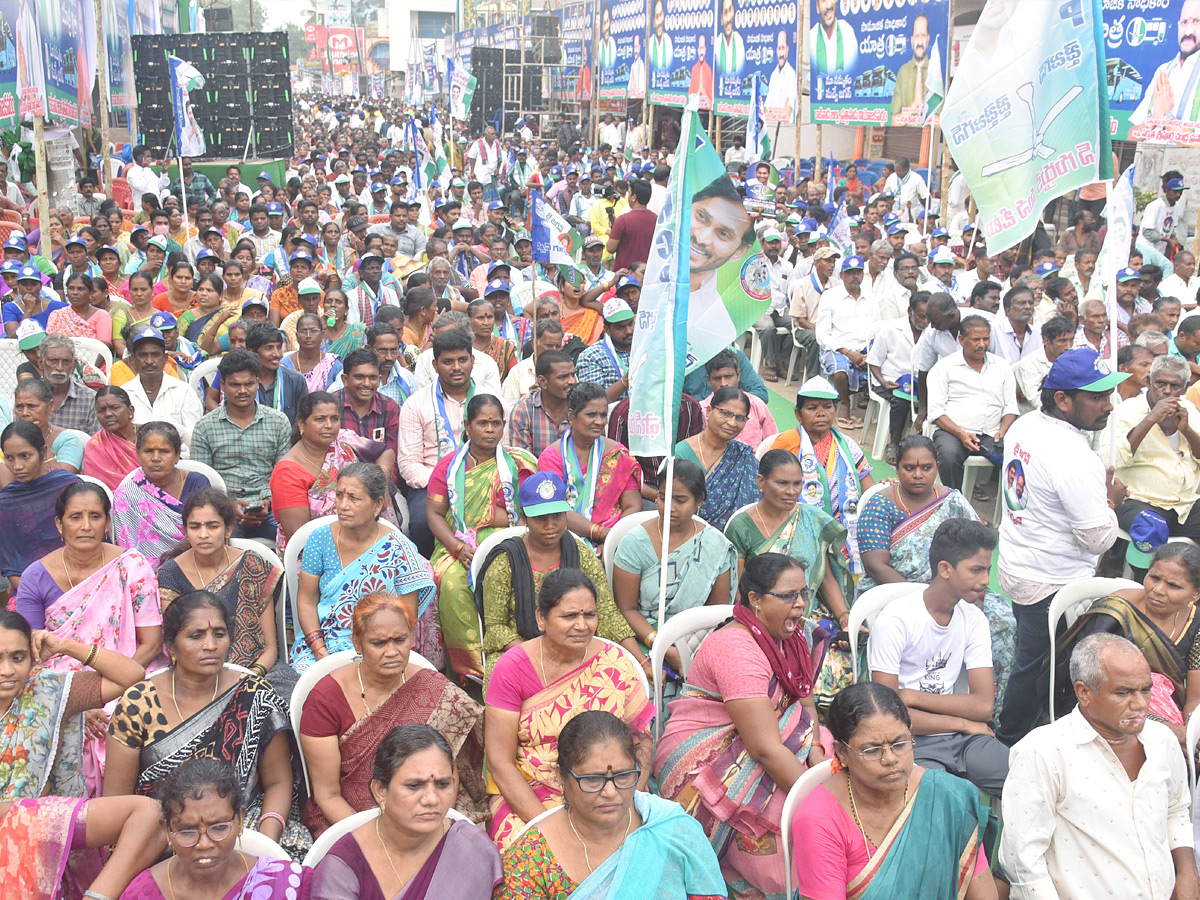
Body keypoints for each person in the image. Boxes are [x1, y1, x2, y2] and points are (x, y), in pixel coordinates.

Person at [655, 553, 830, 899]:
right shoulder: (738, 648)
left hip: (776, 736)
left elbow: (804, 698)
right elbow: (763, 748)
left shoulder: (792, 635)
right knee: (793, 830)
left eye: (803, 594)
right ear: (755, 600)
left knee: (842, 765)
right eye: (788, 596)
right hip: (707, 756)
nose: (799, 605)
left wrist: (816, 748)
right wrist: (820, 799)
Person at [104, 592, 307, 855]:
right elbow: (116, 804)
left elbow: (278, 783)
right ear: (171, 647)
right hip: (162, 837)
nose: (210, 645)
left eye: (219, 634)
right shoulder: (137, 704)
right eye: (196, 635)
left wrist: (265, 845)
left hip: (245, 829)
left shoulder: (254, 695)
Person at [999, 633, 1200, 900]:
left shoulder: (1163, 741)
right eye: (1123, 692)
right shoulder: (1043, 751)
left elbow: (1176, 811)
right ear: (1084, 692)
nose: (1141, 704)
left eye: (1146, 689)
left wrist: (1187, 872)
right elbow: (1023, 861)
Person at [996, 349, 1129, 745]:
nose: (1108, 406)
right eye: (1096, 397)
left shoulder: (1024, 425)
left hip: (1019, 562)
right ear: (1063, 399)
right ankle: (1010, 739)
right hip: (1052, 580)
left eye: (1108, 395)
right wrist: (1110, 502)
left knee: (1033, 658)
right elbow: (1099, 539)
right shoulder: (1075, 456)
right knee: (1037, 665)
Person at [484, 569, 654, 849]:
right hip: (534, 793)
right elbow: (499, 763)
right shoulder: (512, 669)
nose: (582, 625)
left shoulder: (613, 661)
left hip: (611, 789)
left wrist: (629, 798)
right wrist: (547, 826)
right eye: (569, 616)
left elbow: (642, 740)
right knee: (533, 861)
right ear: (542, 618)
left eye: (589, 615)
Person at [298, 587, 487, 837]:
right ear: (358, 643)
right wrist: (377, 839)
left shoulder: (432, 687)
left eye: (400, 640)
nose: (392, 652)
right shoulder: (325, 699)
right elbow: (328, 795)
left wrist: (432, 825)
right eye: (378, 643)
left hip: (430, 812)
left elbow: (449, 774)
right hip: (353, 822)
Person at [0, 608, 161, 898]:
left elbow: (132, 675)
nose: (7, 670)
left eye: (17, 657)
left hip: (41, 821)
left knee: (148, 812)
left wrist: (64, 645)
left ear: (32, 656)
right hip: (17, 820)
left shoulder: (47, 690)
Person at [791, 682, 998, 900]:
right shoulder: (819, 817)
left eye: (900, 744)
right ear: (842, 753)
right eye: (872, 750)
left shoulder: (948, 797)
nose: (890, 759)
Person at [497, 710, 726, 899]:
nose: (610, 792)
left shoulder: (671, 828)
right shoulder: (530, 859)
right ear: (561, 777)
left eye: (623, 776)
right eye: (593, 779)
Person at [867, 519, 1010, 796]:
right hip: (910, 742)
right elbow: (889, 717)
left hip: (964, 741)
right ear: (945, 569)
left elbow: (983, 706)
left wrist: (912, 696)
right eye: (976, 570)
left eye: (987, 570)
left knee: (1029, 782)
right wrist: (962, 722)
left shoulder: (974, 619)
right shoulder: (895, 621)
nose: (985, 581)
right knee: (944, 802)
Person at [477, 472, 642, 682]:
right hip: (519, 649)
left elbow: (607, 612)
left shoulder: (581, 554)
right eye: (540, 518)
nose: (550, 525)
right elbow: (496, 626)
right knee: (505, 681)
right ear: (524, 516)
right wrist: (538, 657)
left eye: (557, 515)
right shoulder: (505, 562)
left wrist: (640, 661)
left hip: (575, 644)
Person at [309, 724, 501, 899]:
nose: (432, 799)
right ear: (380, 791)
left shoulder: (471, 847)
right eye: (414, 786)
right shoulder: (343, 868)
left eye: (442, 784)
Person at [427, 394, 538, 681]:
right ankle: (474, 668)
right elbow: (435, 514)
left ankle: (521, 658)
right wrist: (457, 547)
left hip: (513, 541)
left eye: (496, 423)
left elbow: (534, 514)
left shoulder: (520, 463)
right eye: (482, 423)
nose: (490, 430)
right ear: (467, 425)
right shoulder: (450, 467)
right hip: (458, 545)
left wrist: (495, 518)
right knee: (452, 584)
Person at [291, 463, 439, 672]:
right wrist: (320, 652)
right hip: (323, 643)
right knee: (311, 685)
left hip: (382, 647)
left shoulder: (397, 548)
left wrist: (375, 649)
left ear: (377, 505)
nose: (342, 505)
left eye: (353, 498)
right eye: (339, 495)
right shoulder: (320, 539)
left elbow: (406, 618)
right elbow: (306, 600)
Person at [155, 489, 289, 692]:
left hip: (256, 673)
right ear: (185, 531)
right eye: (195, 527)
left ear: (228, 530)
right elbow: (175, 648)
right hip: (194, 677)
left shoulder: (252, 565)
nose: (203, 534)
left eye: (212, 526)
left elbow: (270, 647)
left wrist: (250, 677)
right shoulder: (171, 573)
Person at [121, 758, 307, 899]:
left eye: (218, 828)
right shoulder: (143, 893)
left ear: (240, 820)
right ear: (168, 829)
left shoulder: (285, 883)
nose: (203, 844)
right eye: (187, 831)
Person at [612, 460, 736, 663]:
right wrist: (661, 644)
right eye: (662, 498)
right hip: (645, 638)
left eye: (680, 500)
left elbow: (715, 614)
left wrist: (691, 652)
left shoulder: (714, 545)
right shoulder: (635, 543)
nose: (670, 507)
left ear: (699, 501)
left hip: (697, 642)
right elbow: (626, 609)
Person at [767, 377, 875, 575]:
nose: (821, 413)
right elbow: (767, 489)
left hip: (844, 527)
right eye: (812, 408)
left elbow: (869, 488)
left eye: (827, 407)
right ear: (798, 415)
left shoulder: (848, 446)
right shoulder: (787, 443)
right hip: (793, 524)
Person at [270, 391, 389, 553]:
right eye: (320, 419)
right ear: (302, 424)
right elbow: (301, 539)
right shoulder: (288, 472)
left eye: (334, 419)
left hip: (362, 538)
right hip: (315, 555)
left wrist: (379, 483)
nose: (329, 425)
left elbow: (385, 452)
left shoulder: (344, 440)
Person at [192, 348, 292, 541]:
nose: (242, 391)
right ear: (222, 385)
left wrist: (268, 502)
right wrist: (229, 505)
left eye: (249, 384)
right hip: (222, 508)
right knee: (206, 539)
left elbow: (283, 475)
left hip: (268, 508)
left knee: (295, 538)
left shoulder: (278, 422)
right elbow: (203, 482)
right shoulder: (205, 427)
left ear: (257, 383)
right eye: (235, 385)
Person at [1100, 354, 1200, 547]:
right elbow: (1111, 459)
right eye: (1161, 384)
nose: (1167, 391)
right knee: (1150, 530)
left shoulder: (1188, 409)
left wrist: (1186, 430)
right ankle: (1145, 576)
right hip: (1138, 500)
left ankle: (1186, 575)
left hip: (1184, 505)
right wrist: (1150, 419)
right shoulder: (1127, 411)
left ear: (1185, 387)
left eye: (1175, 386)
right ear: (1148, 381)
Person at [397, 327, 477, 558]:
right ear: (435, 365)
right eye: (448, 361)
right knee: (422, 523)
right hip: (431, 483)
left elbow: (506, 451)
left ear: (472, 360)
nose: (457, 368)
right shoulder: (416, 404)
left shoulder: (490, 401)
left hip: (481, 479)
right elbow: (409, 465)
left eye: (463, 360)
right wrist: (448, 484)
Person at [537, 382, 643, 548]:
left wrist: (614, 538)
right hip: (565, 539)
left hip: (615, 536)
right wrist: (599, 533)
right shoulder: (552, 458)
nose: (599, 422)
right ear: (571, 416)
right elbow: (556, 510)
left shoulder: (617, 453)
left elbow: (632, 505)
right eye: (591, 414)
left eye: (603, 415)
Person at [927, 315, 1018, 493]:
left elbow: (1010, 407)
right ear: (961, 340)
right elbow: (936, 412)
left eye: (986, 339)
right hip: (953, 431)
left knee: (1016, 460)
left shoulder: (1002, 366)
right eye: (976, 339)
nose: (982, 344)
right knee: (948, 456)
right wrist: (961, 433)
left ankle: (1011, 515)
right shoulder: (944, 367)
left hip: (993, 434)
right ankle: (955, 507)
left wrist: (1003, 430)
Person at [112, 422, 210, 568]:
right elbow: (128, 551)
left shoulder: (197, 483)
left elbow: (207, 530)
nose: (156, 458)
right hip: (144, 573)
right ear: (138, 455)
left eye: (164, 451)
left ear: (177, 455)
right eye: (148, 451)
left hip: (197, 564)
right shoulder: (126, 495)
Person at [0, 421, 79, 594]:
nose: (17, 466)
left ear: (43, 452)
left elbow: (94, 543)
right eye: (9, 458)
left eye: (25, 456)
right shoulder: (6, 501)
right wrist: (34, 596)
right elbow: (10, 564)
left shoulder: (69, 488)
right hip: (29, 588)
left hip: (80, 582)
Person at [675, 386, 760, 530]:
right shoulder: (682, 454)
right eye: (726, 413)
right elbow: (674, 505)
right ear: (709, 411)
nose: (732, 423)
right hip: (688, 534)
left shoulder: (743, 457)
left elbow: (756, 503)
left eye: (740, 418)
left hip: (738, 537)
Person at [816, 256, 879, 428]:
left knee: (881, 368)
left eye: (858, 272)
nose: (855, 277)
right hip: (837, 348)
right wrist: (848, 353)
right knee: (840, 370)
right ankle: (844, 403)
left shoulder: (871, 299)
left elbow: (877, 330)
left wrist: (868, 354)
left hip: (864, 349)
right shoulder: (830, 296)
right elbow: (822, 334)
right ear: (842, 275)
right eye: (850, 273)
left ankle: (838, 399)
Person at [122, 325, 203, 449]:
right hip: (133, 462)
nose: (149, 361)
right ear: (133, 359)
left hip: (179, 462)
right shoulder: (124, 394)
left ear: (165, 358)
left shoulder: (184, 391)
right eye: (143, 355)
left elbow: (193, 440)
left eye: (155, 355)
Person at [698, 349, 777, 450]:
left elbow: (772, 442)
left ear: (738, 375)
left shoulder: (757, 405)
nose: (723, 383)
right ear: (709, 380)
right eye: (717, 378)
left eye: (728, 376)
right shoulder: (702, 410)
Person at [9, 377, 84, 474]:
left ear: (50, 407)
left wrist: (37, 437)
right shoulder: (9, 439)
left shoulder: (67, 440)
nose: (24, 413)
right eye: (19, 407)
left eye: (32, 406)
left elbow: (62, 480)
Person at [576, 298, 635, 401]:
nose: (628, 331)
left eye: (630, 323)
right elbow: (593, 401)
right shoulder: (591, 356)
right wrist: (626, 380)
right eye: (620, 327)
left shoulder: (646, 347)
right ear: (607, 329)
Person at [83, 385, 139, 490]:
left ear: (130, 411)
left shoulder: (150, 436)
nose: (108, 414)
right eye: (101, 410)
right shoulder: (95, 446)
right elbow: (97, 489)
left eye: (114, 408)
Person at [283, 312, 344, 391]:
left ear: (322, 334)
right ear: (297, 336)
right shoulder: (284, 365)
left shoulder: (332, 364)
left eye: (313, 331)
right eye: (303, 331)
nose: (308, 336)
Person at [606, 180, 656, 272]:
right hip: (648, 273)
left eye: (629, 193)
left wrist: (613, 231)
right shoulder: (657, 220)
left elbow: (610, 248)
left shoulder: (623, 220)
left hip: (625, 274)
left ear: (634, 197)